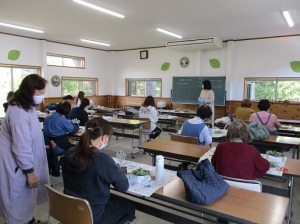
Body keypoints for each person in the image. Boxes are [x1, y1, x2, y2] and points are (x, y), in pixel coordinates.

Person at [62, 117, 136, 224]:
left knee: (113, 200)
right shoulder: (103, 159)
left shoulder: (70, 152)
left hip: (71, 209)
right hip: (94, 216)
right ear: (104, 137)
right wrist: (119, 171)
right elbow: (123, 187)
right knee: (129, 207)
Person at [0, 74, 49, 224]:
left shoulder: (27, 107)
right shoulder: (18, 112)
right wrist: (29, 171)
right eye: (39, 93)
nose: (41, 97)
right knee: (18, 202)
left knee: (26, 201)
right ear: (29, 92)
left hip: (25, 163)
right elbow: (21, 147)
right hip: (19, 166)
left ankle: (29, 220)